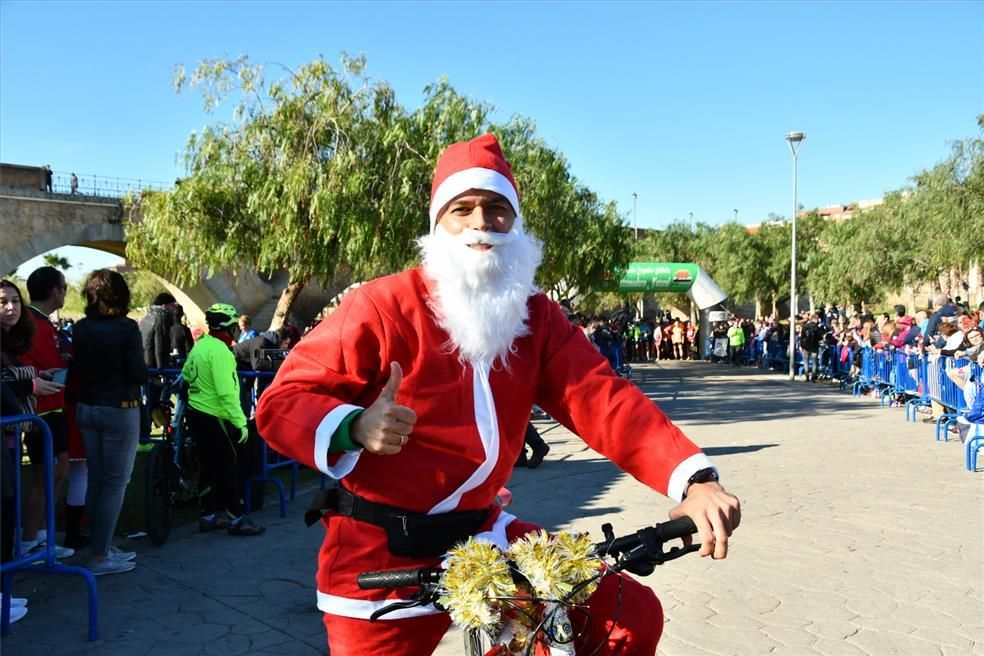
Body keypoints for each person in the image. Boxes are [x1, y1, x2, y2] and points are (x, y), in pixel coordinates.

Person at [256, 133, 740, 656]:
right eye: (461, 209)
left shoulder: (536, 317)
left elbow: (603, 399)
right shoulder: (383, 305)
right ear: (438, 224)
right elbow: (281, 403)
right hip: (381, 554)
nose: (480, 223)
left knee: (629, 616)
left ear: (516, 223)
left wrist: (694, 479)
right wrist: (354, 425)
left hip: (484, 535)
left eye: (496, 208)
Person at [72, 270, 148, 575]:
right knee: (115, 483)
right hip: (119, 407)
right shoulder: (127, 328)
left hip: (88, 407)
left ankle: (100, 546)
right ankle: (100, 556)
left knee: (97, 480)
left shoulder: (81, 328)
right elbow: (137, 372)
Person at [2, 278, 65, 621]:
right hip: (8, 431)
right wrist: (31, 382)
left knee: (8, 506)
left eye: (14, 300)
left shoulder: (12, 340)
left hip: (11, 433)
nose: (11, 307)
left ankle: (3, 590)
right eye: (2, 302)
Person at [181, 303, 265, 536]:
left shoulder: (202, 346)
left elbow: (186, 373)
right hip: (214, 415)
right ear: (229, 328)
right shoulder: (221, 352)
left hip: (196, 413)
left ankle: (207, 516)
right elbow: (227, 394)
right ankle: (237, 519)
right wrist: (240, 423)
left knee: (208, 466)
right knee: (228, 465)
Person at [19, 267, 75, 559]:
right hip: (39, 411)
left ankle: (43, 535)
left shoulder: (44, 323)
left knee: (59, 471)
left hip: (54, 408)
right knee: (44, 476)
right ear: (55, 290)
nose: (65, 292)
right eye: (64, 287)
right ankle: (29, 539)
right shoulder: (28, 321)